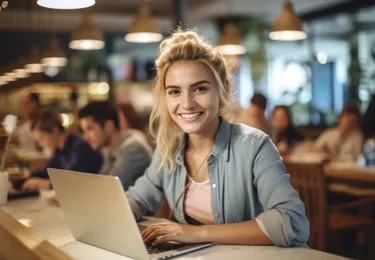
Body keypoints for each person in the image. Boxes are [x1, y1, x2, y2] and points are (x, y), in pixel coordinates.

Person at [126, 30, 309, 247]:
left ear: (223, 89)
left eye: (200, 89)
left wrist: (195, 233)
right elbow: (138, 199)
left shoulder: (255, 146)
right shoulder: (169, 147)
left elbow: (292, 222)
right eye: (175, 92)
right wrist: (114, 213)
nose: (187, 103)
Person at [21, 109, 103, 190]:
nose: (40, 144)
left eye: (41, 139)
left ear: (55, 131)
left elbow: (73, 182)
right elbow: (45, 172)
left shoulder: (80, 147)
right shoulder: (59, 150)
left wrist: (45, 184)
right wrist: (23, 179)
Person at [79, 101, 152, 190]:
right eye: (83, 131)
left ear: (109, 126)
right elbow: (101, 181)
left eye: (90, 129)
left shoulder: (133, 149)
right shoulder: (107, 149)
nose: (85, 137)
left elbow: (109, 189)